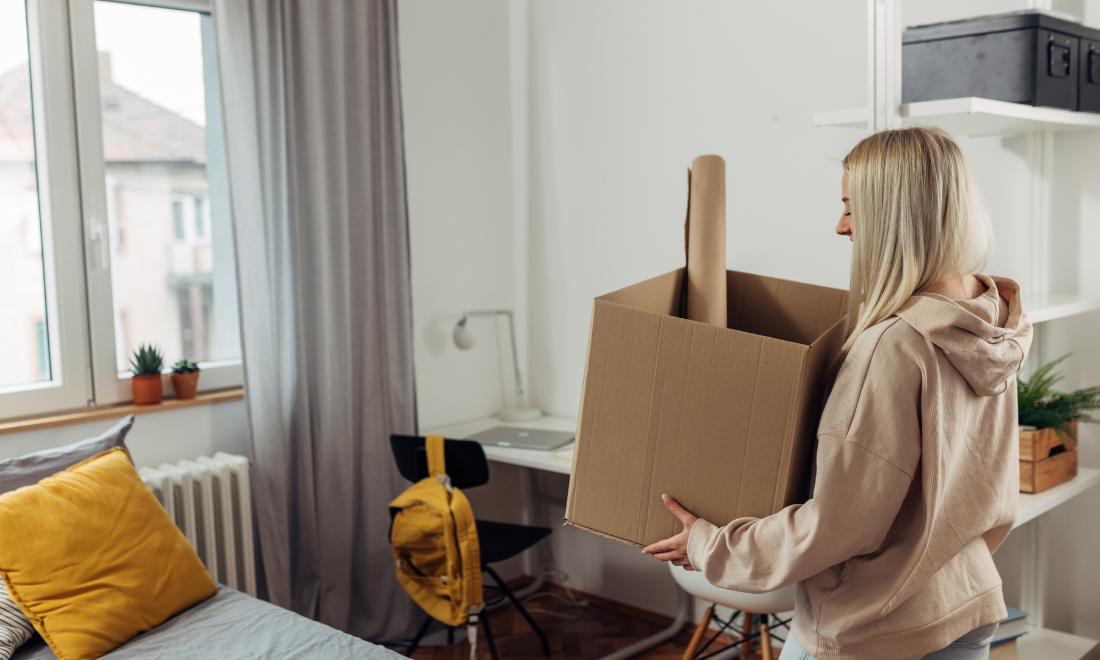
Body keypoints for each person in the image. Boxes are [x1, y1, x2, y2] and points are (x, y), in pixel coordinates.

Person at [642, 127, 1032, 660]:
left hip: (875, 629)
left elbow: (839, 525)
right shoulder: (991, 322)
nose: (840, 225)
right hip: (966, 604)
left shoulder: (894, 347)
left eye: (852, 207)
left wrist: (712, 545)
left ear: (895, 216)